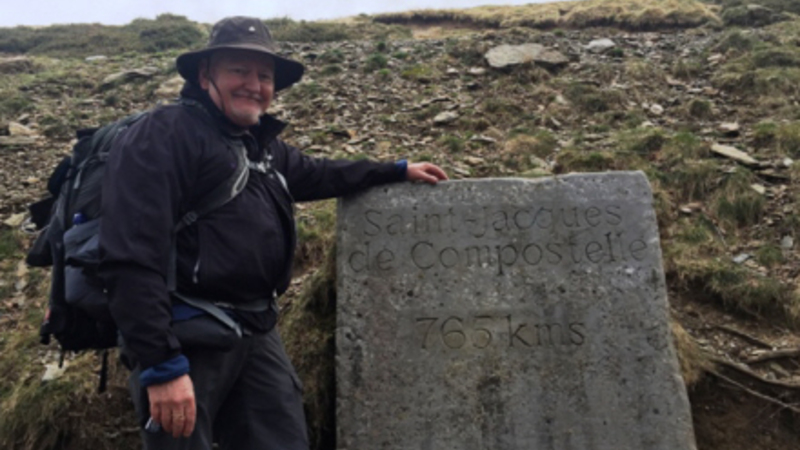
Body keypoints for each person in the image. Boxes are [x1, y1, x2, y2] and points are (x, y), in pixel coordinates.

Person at [98, 16, 447, 450]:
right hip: (185, 337)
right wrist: (162, 365)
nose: (254, 85)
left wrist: (394, 170)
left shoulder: (258, 144)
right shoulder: (164, 135)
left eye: (264, 76)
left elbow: (316, 174)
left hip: (255, 329)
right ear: (205, 74)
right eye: (238, 70)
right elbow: (129, 256)